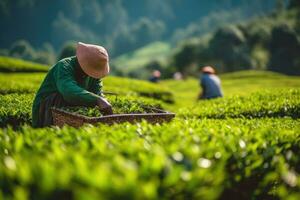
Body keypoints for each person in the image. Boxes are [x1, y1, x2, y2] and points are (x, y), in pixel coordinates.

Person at [32, 42, 113, 128]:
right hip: (47, 108)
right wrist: (97, 100)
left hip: (70, 110)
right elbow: (68, 91)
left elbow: (97, 91)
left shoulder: (94, 75)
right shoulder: (64, 66)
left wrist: (103, 101)